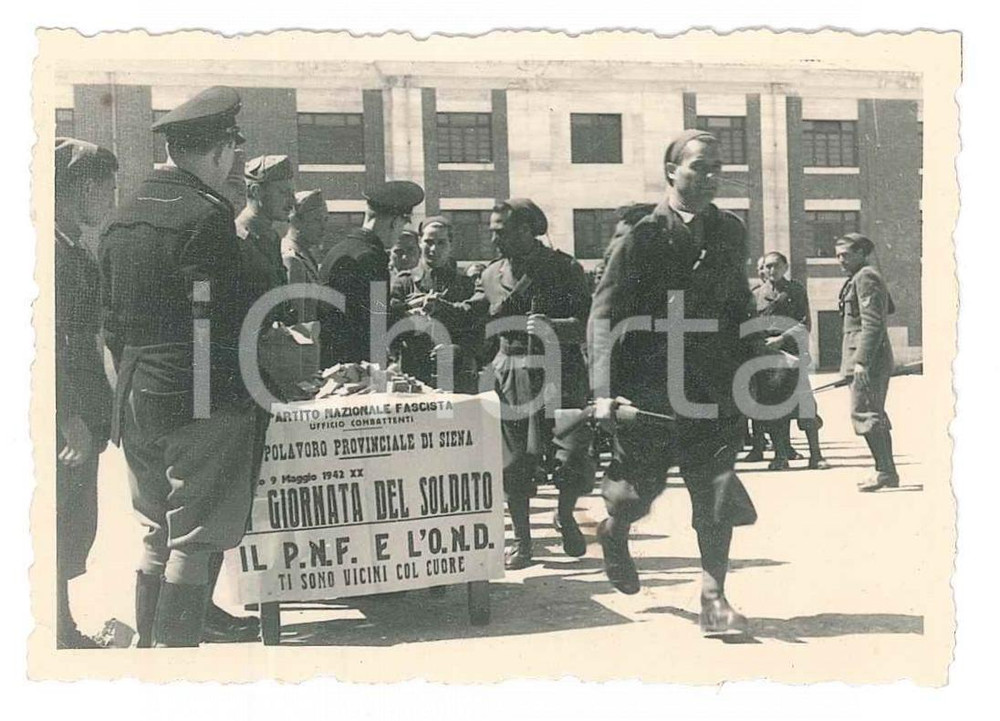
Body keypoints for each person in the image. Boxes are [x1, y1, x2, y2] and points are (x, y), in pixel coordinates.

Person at [100, 86, 263, 647]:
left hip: (136, 394)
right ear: (219, 150)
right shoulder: (207, 216)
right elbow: (224, 316)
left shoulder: (122, 216)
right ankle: (174, 664)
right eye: (231, 151)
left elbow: (110, 324)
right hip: (198, 396)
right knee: (194, 539)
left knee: (155, 530)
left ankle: (148, 655)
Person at [589, 130, 758, 636]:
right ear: (671, 171)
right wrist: (603, 392)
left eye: (717, 168)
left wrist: (759, 356)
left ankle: (714, 598)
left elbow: (739, 302)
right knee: (634, 495)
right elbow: (603, 314)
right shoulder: (641, 235)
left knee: (717, 490)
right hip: (650, 388)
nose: (710, 177)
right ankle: (614, 532)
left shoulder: (730, 231)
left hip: (713, 386)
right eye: (699, 167)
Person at [465, 199, 595, 569]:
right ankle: (523, 542)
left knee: (572, 455)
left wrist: (556, 327)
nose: (494, 239)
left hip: (560, 372)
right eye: (492, 231)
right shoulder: (491, 274)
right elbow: (478, 315)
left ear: (526, 230)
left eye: (501, 232)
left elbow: (588, 322)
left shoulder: (563, 267)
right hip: (510, 374)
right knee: (513, 462)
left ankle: (565, 514)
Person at [54, 137, 118, 648]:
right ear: (83, 188)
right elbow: (44, 345)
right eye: (107, 189)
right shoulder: (49, 252)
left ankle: (61, 626)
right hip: (62, 420)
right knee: (55, 526)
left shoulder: (73, 247)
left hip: (81, 413)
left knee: (73, 526)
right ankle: (58, 631)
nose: (110, 200)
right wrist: (68, 416)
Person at [317, 180, 424, 367]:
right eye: (402, 226)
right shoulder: (372, 258)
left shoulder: (340, 249)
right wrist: (416, 323)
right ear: (394, 222)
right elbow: (378, 324)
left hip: (331, 361)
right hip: (356, 366)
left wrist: (403, 309)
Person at [750, 252, 829, 470]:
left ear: (785, 267)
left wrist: (782, 339)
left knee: (806, 408)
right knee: (773, 408)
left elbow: (804, 323)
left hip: (793, 356)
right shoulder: (757, 294)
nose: (771, 270)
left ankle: (816, 456)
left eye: (776, 265)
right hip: (767, 361)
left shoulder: (795, 290)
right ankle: (780, 456)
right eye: (767, 266)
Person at [835, 233, 899, 491]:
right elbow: (888, 308)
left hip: (868, 359)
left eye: (846, 254)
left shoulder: (866, 277)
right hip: (862, 356)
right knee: (871, 412)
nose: (841, 260)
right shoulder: (860, 277)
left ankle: (884, 472)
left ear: (862, 253)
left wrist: (861, 361)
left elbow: (873, 322)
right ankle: (887, 472)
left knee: (866, 412)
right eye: (838, 255)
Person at [389, 216, 480, 392]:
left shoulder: (466, 284)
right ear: (420, 243)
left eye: (441, 243)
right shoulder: (404, 283)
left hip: (456, 375)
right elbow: (388, 326)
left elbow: (477, 331)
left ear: (451, 245)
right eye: (428, 242)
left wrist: (458, 350)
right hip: (415, 374)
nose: (433, 249)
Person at [236, 154, 296, 299]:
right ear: (256, 191)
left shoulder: (272, 238)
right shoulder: (231, 237)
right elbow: (201, 288)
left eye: (292, 193)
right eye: (283, 193)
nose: (291, 202)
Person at [282, 189, 326, 323]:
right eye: (316, 220)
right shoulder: (291, 259)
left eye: (325, 219)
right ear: (296, 221)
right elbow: (296, 322)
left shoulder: (305, 254)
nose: (323, 226)